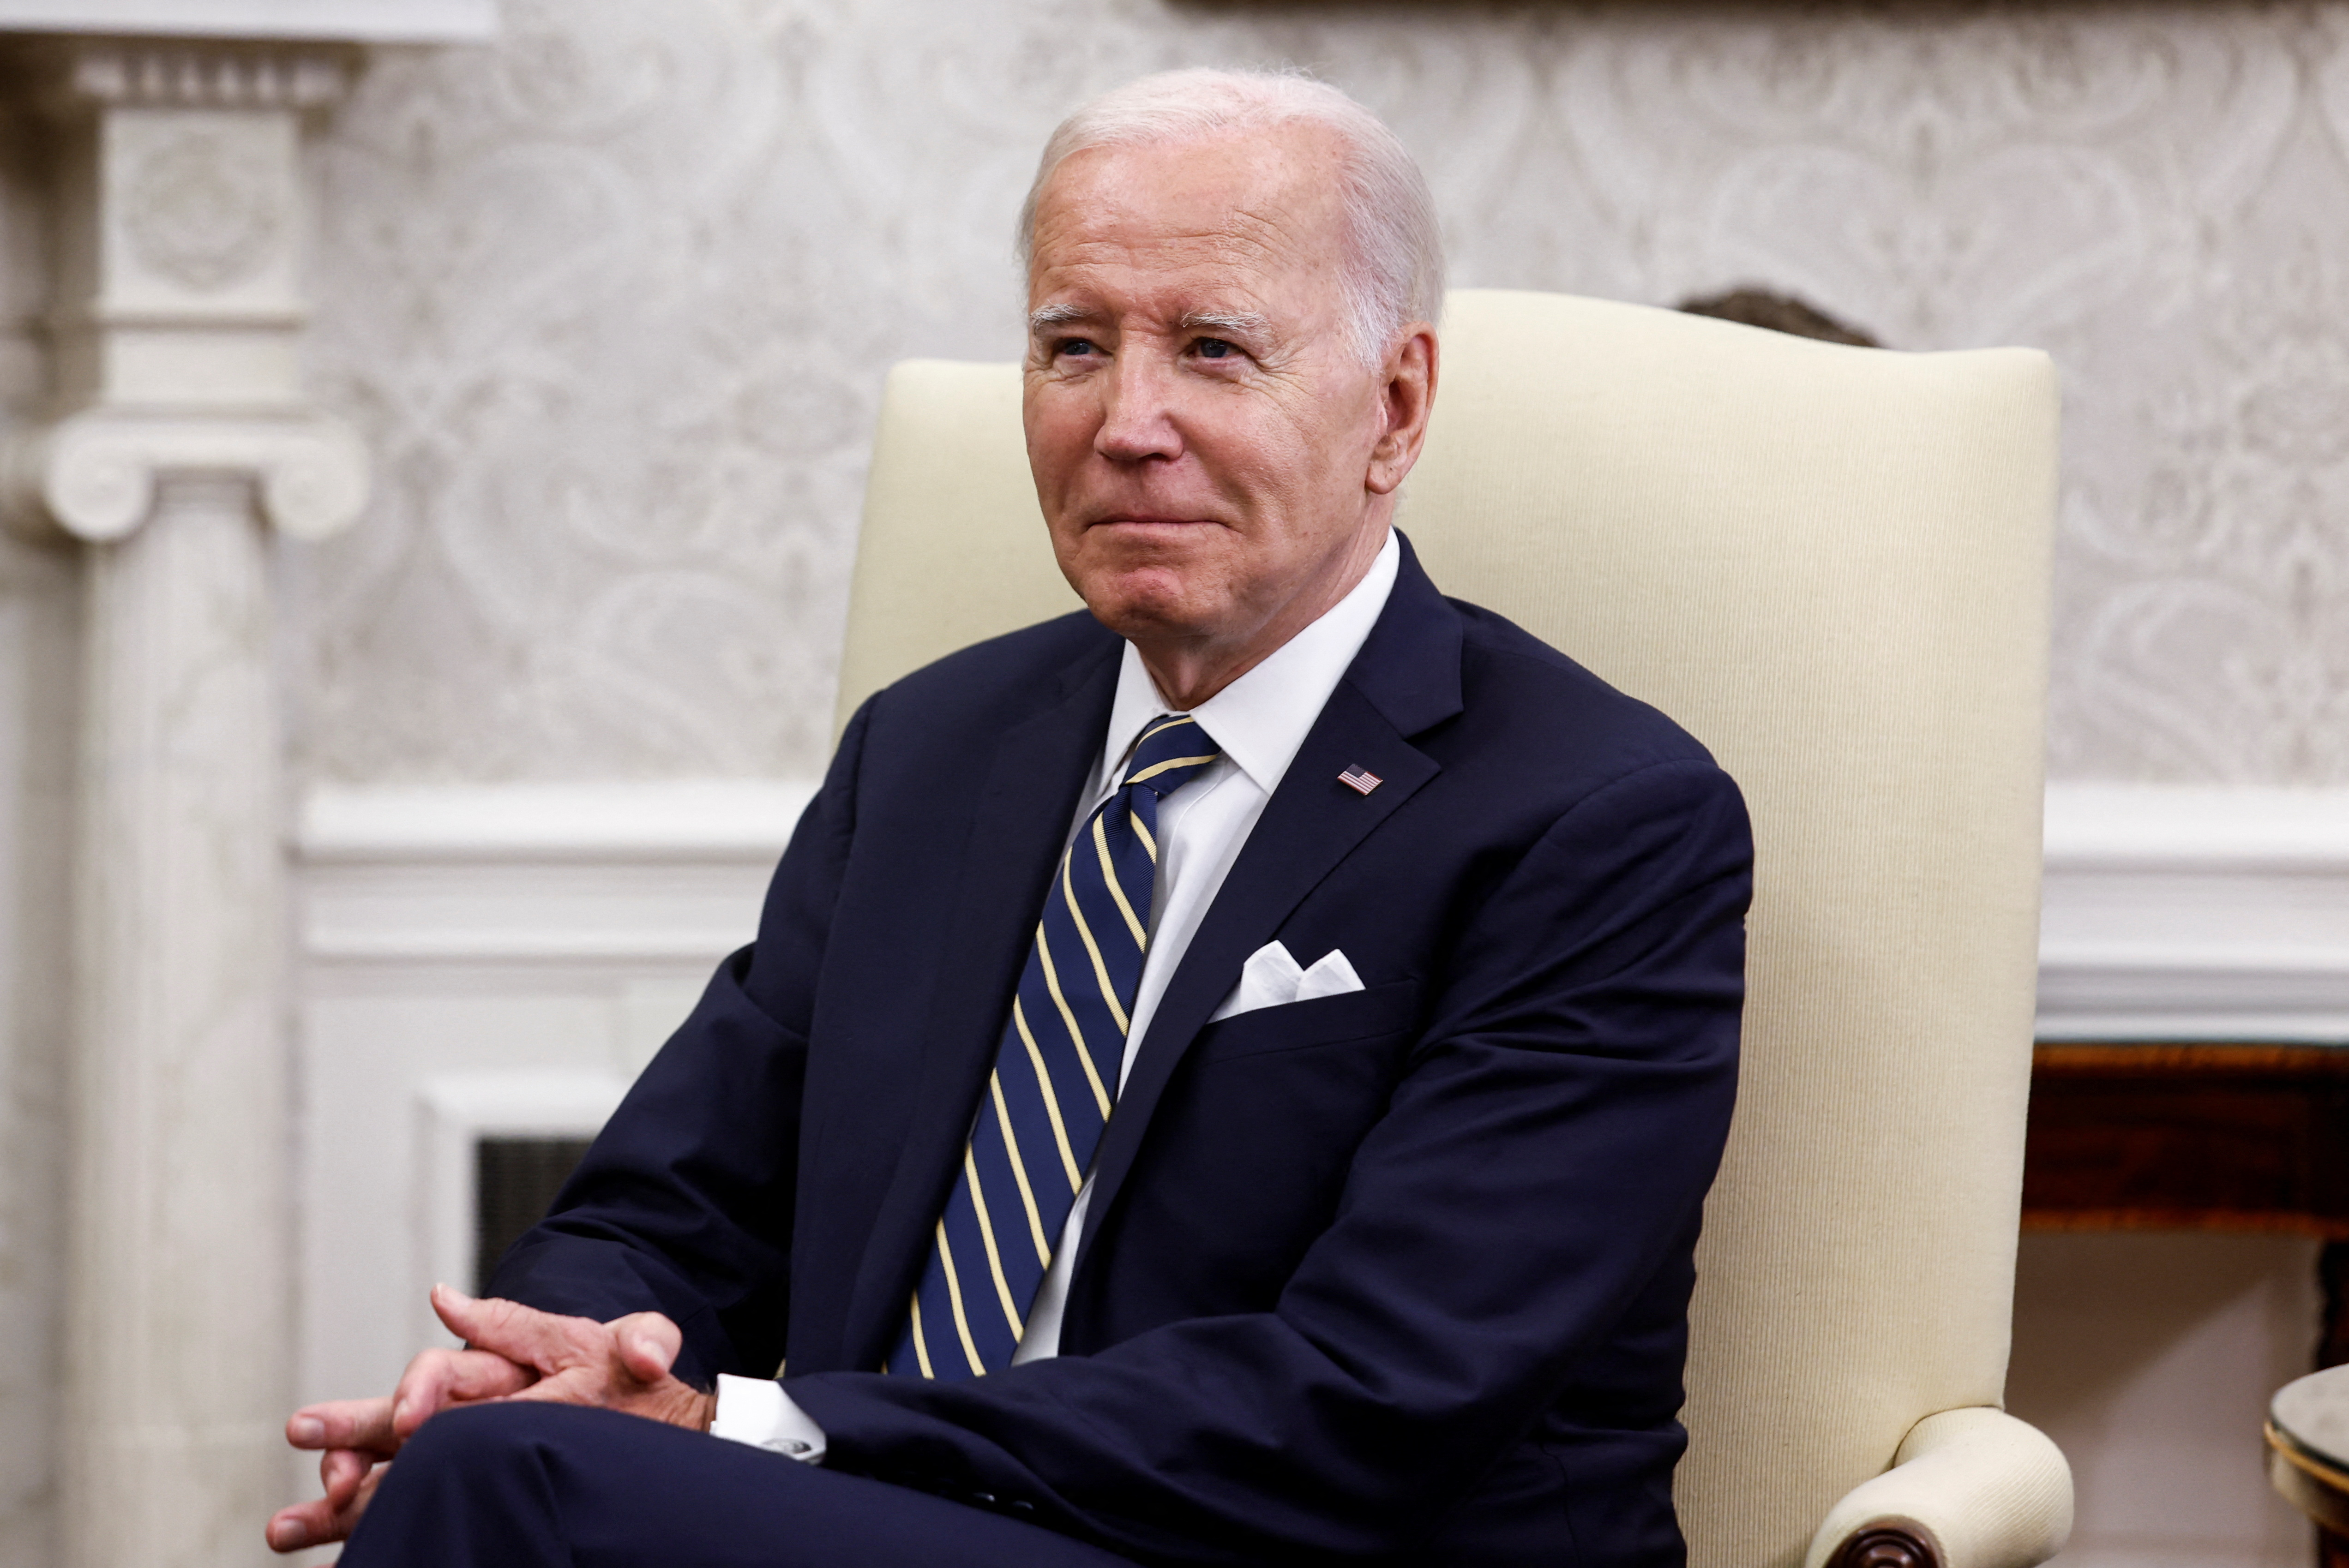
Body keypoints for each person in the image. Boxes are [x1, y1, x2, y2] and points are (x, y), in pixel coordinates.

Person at [267, 67, 1752, 1568]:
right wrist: (552, 1363)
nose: (1127, 424)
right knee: (507, 1452)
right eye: (1072, 347)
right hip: (864, 1517)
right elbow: (667, 1208)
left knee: (503, 1491)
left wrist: (759, 1431)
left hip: (1277, 1544)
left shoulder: (1598, 819)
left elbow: (1381, 1396)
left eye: (1214, 348)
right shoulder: (931, 750)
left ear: (1396, 405)